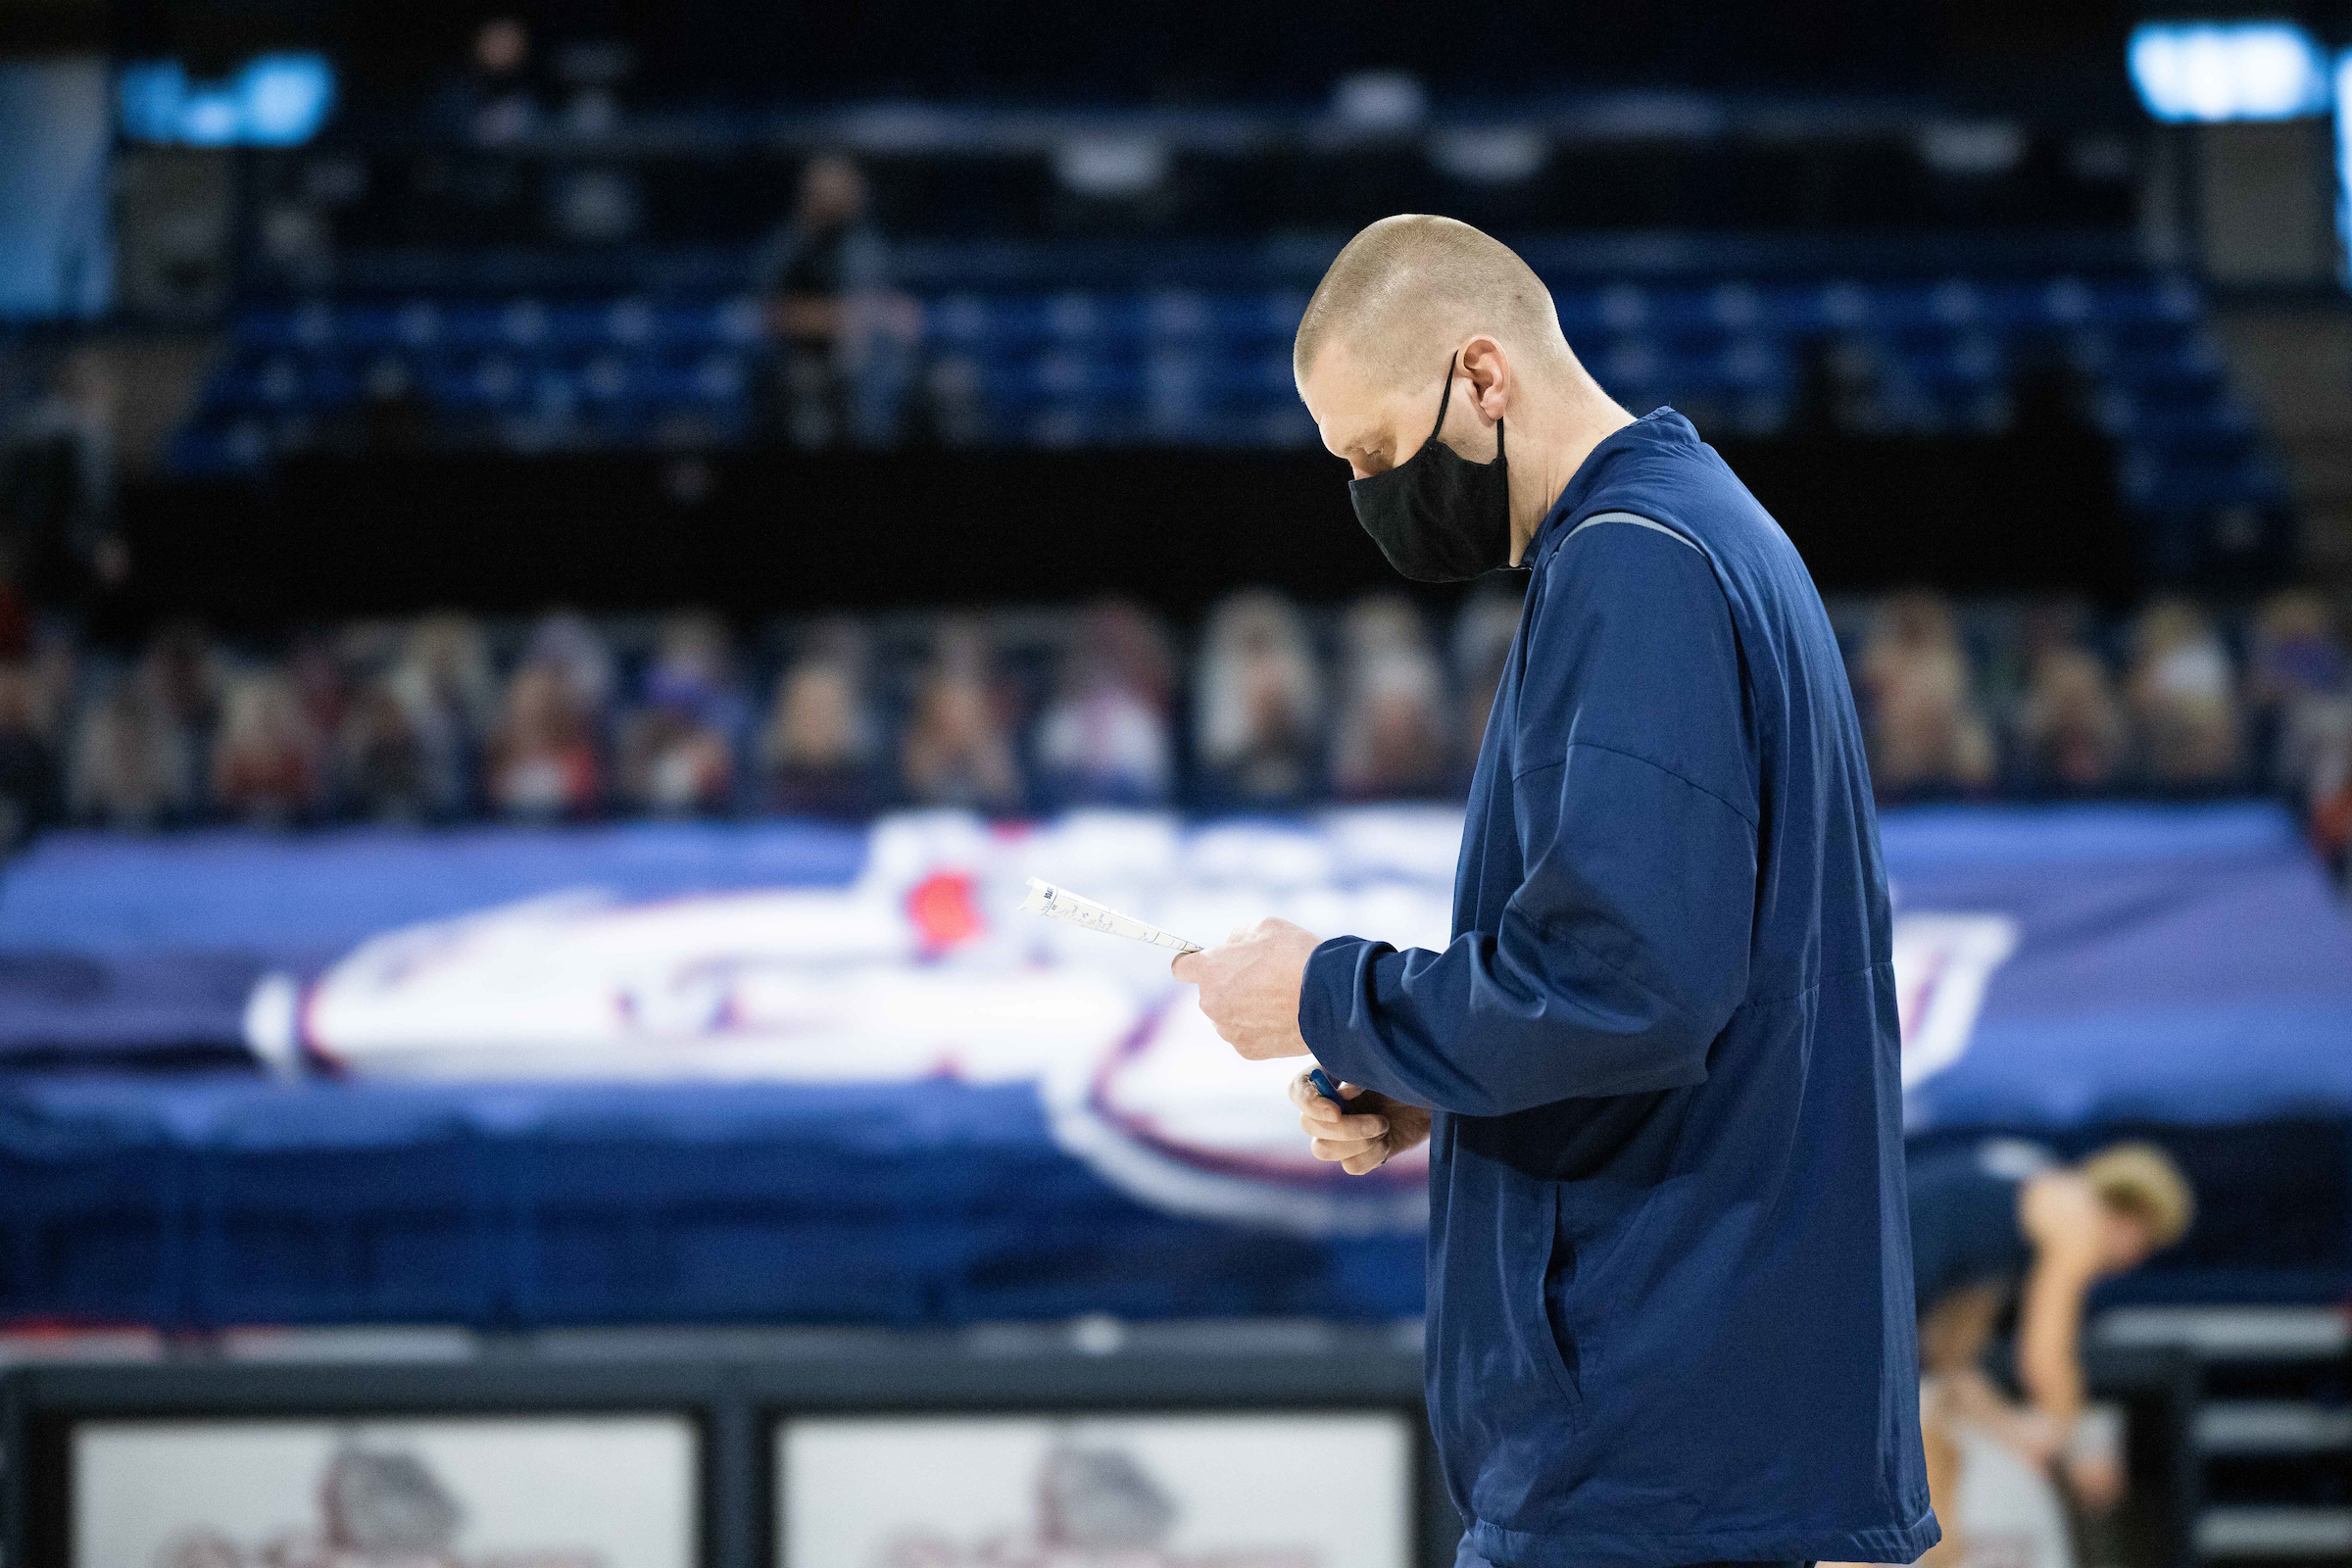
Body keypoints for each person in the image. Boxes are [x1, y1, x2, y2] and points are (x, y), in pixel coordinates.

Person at [1171, 215, 1937, 1568]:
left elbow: (1625, 982)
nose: (1371, 496)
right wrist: (1427, 1071)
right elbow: (1686, 976)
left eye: (1375, 452)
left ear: (1482, 375)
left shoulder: (1636, 564)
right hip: (1694, 1413)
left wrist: (1327, 993)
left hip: (1648, 1429)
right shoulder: (1699, 529)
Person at [1906, 1141, 2194, 1568]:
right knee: (1908, 1480)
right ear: (2133, 1219)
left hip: (1854, 1298)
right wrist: (2079, 1445)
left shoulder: (2003, 1229)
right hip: (1850, 1302)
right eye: (2143, 1246)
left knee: (1941, 1460)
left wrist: (2021, 1435)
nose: (2129, 1264)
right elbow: (2045, 1358)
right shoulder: (2078, 1218)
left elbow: (1952, 1368)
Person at [754, 154, 896, 448]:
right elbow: (772, 315)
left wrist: (848, 317)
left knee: (884, 375)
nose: (841, 199)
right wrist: (835, 317)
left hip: (862, 357)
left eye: (846, 190)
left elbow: (890, 311)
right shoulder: (787, 247)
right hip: (799, 357)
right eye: (828, 191)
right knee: (806, 389)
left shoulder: (867, 245)